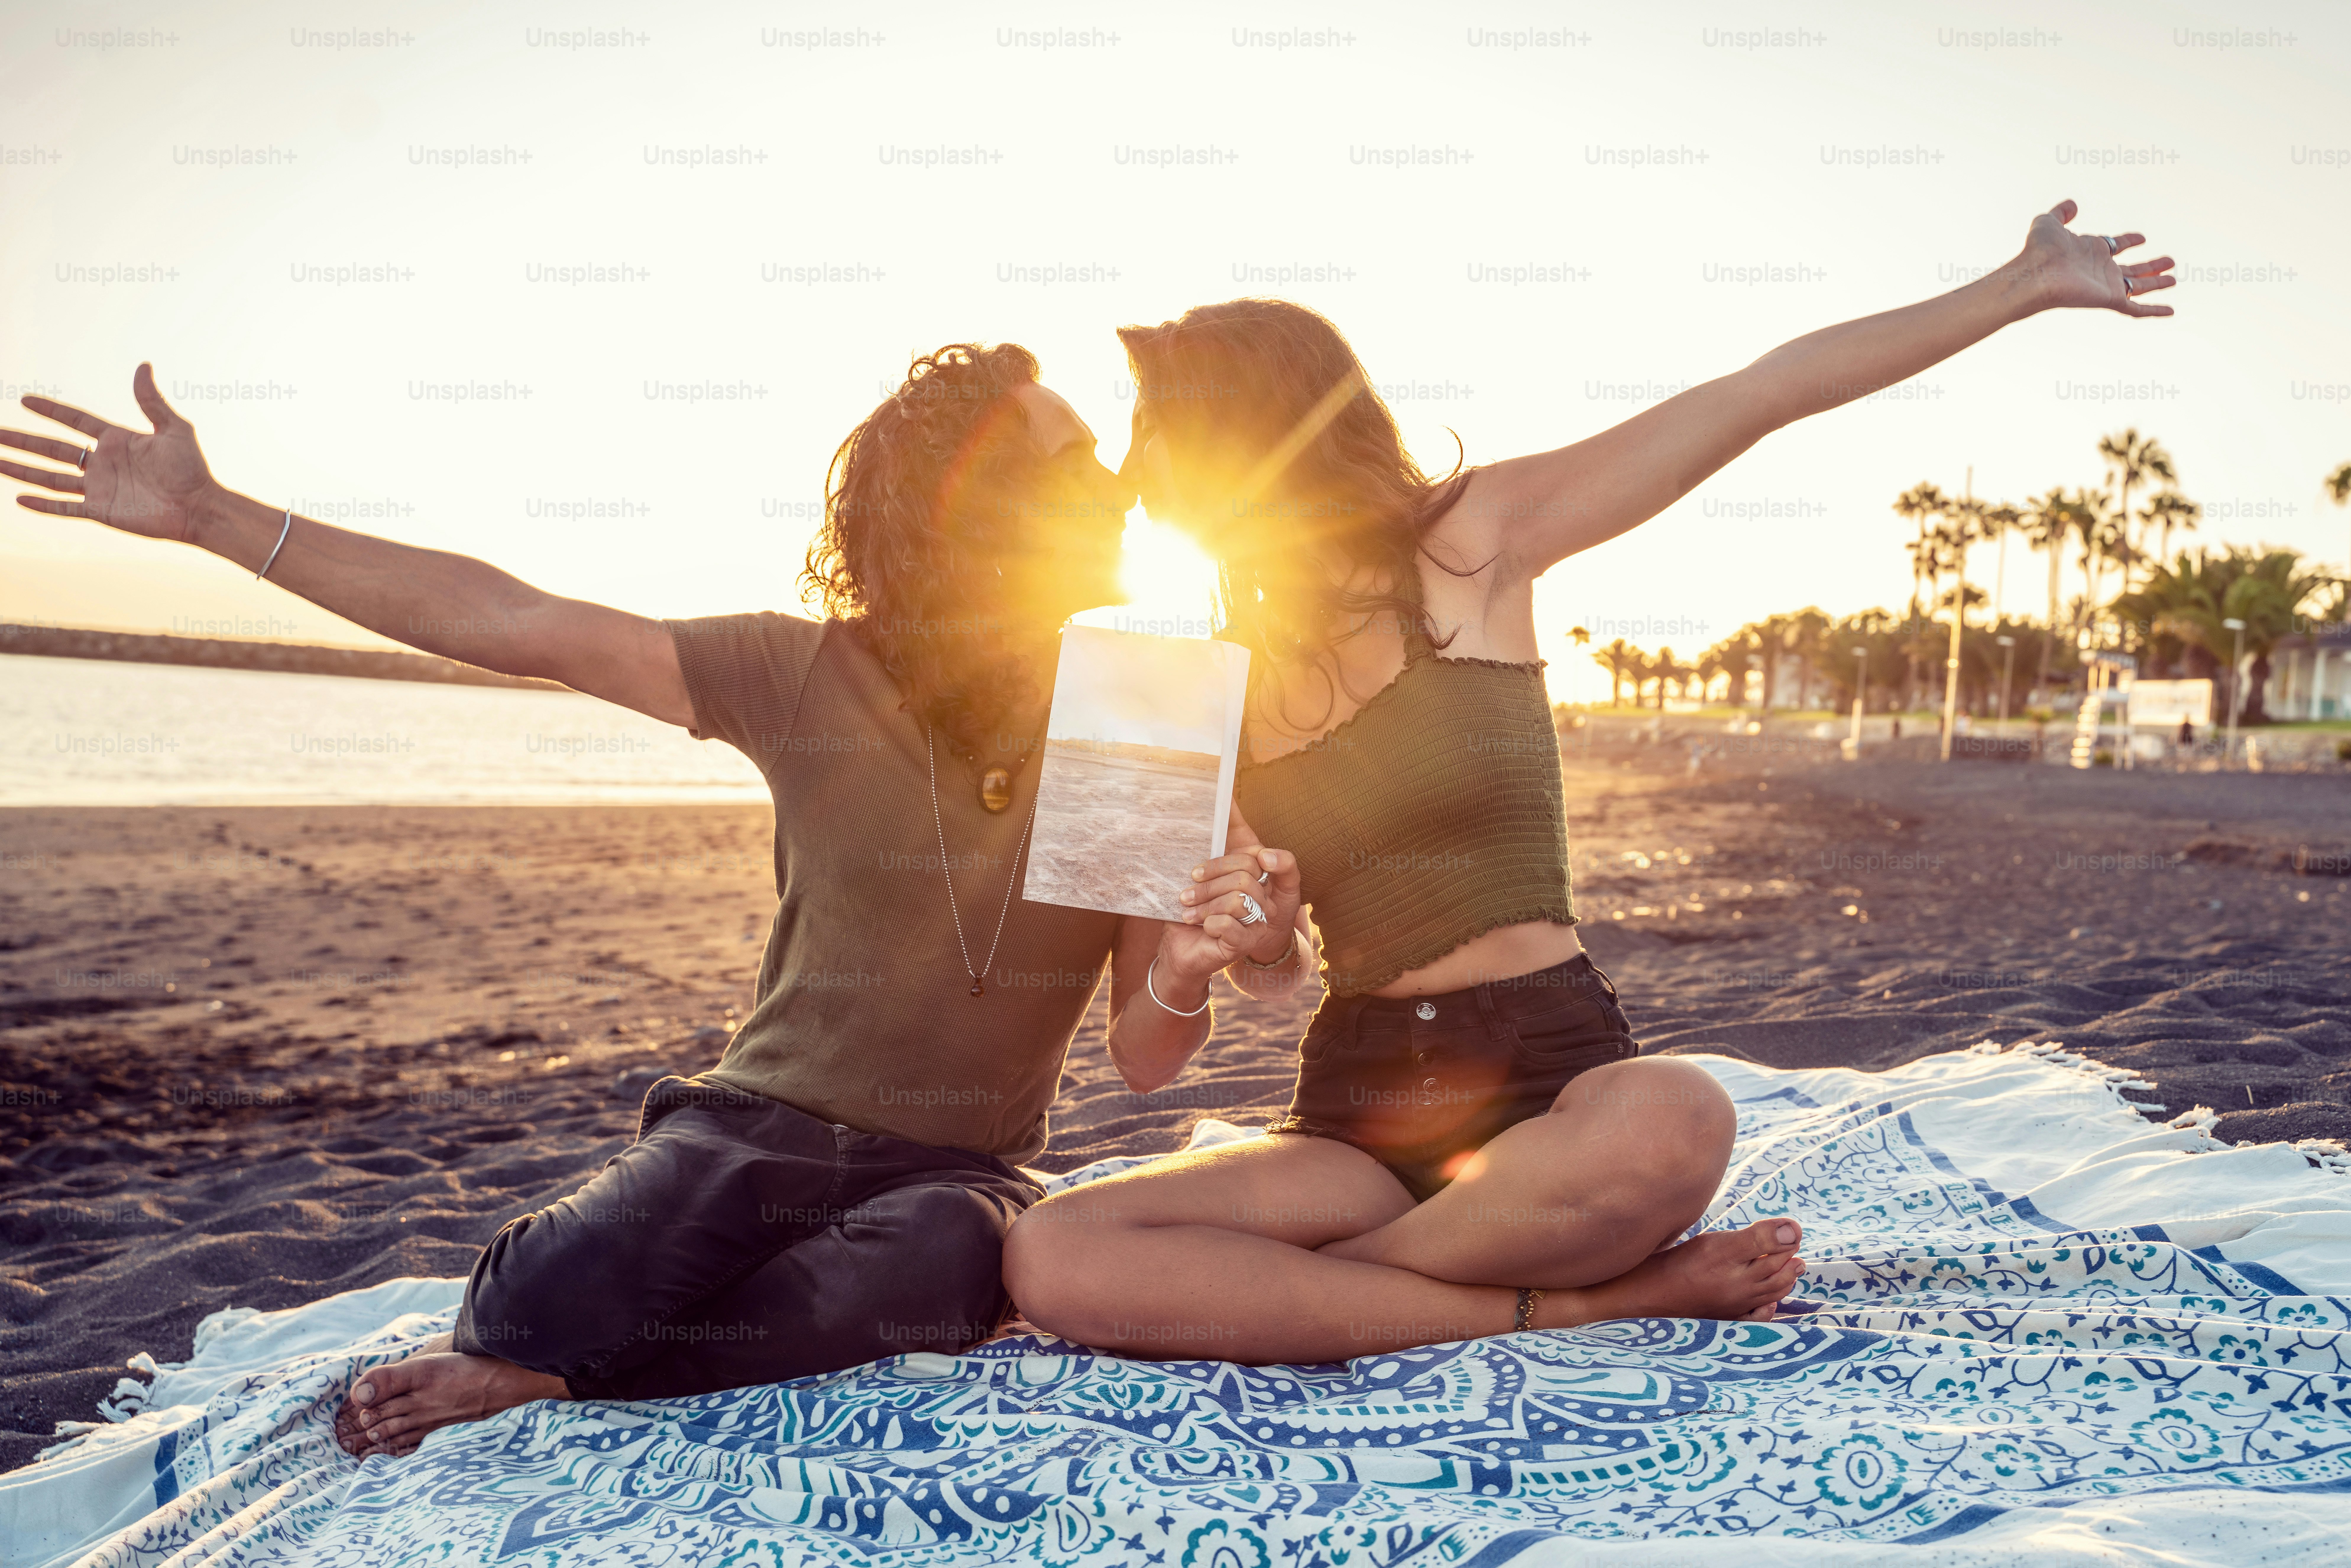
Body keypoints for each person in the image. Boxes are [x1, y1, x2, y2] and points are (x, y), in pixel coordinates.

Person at [2, 345, 1309, 1454]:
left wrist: (1201, 965)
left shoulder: (1142, 720)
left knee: (933, 1267)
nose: (1121, 487)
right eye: (1075, 463)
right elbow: (515, 619)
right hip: (751, 1132)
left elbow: (1146, 1055)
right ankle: (547, 1360)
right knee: (527, 1299)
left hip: (954, 1175)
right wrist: (215, 518)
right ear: (979, 503)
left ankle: (564, 1389)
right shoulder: (801, 676)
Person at [1005, 199, 2174, 1366]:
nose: (1129, 465)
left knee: (1678, 1118)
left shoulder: (1470, 544)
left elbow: (1754, 394)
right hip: (1357, 1128)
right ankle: (1589, 1299)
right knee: (1053, 1252)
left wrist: (2016, 285)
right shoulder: (1166, 690)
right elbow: (1147, 1053)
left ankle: (1304, 1299)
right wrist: (1221, 952)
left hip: (1554, 1089)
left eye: (1149, 426)